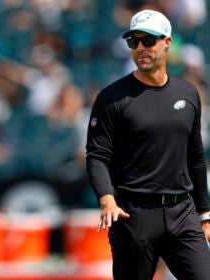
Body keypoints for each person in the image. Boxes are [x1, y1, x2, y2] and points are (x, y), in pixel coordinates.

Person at [86, 9, 210, 280]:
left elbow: (196, 156)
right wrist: (107, 199)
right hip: (134, 214)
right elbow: (96, 155)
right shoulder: (111, 98)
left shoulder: (188, 93)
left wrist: (204, 212)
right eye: (134, 41)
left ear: (167, 42)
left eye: (148, 40)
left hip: (183, 211)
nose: (140, 47)